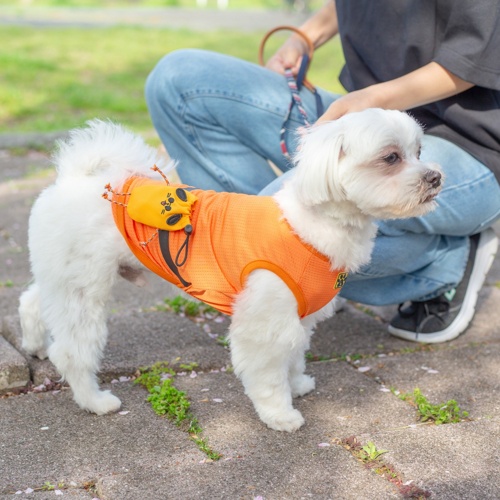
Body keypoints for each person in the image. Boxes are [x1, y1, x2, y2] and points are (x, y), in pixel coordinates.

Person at [145, 0, 500, 343]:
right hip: (367, 119)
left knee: (282, 235)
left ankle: (444, 263)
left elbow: (471, 56)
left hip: (470, 141)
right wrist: (305, 38)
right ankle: (287, 282)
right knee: (176, 79)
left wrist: (373, 99)